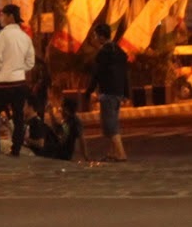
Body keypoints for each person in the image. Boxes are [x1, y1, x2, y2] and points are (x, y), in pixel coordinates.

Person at [0, 4, 36, 156]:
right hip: (19, 82)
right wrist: (19, 69)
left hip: (3, 82)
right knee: (18, 116)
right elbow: (30, 62)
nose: (0, 18)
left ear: (10, 17)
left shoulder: (3, 35)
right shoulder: (25, 37)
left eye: (2, 15)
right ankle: (16, 149)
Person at [86, 20, 131, 162]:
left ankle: (121, 153)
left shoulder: (102, 54)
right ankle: (113, 153)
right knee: (112, 122)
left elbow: (97, 74)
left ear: (101, 37)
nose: (94, 39)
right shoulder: (120, 52)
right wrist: (126, 93)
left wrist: (89, 92)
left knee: (110, 124)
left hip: (107, 93)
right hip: (118, 93)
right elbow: (125, 74)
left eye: (95, 36)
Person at [30, 95, 88, 161]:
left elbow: (81, 139)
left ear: (66, 109)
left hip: (62, 153)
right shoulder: (66, 119)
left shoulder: (75, 121)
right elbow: (57, 129)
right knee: (44, 128)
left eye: (62, 107)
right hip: (58, 149)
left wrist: (85, 156)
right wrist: (51, 112)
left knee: (44, 129)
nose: (60, 109)